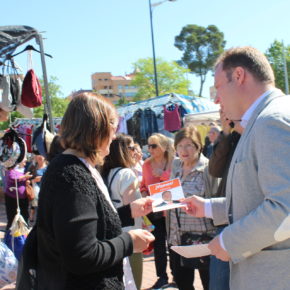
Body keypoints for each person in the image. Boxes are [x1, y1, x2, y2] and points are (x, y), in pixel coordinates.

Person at [183, 46, 290, 290]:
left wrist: (230, 241)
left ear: (239, 75)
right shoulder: (265, 119)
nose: (216, 99)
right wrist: (209, 207)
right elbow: (257, 197)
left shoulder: (271, 121)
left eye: (218, 87)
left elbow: (286, 208)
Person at [25, 93, 155, 290]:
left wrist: (129, 212)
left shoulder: (75, 168)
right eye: (113, 127)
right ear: (97, 128)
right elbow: (81, 255)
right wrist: (129, 242)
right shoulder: (72, 174)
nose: (114, 135)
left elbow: (87, 225)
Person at [167, 126, 219, 290]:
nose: (184, 150)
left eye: (189, 145)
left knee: (210, 284)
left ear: (198, 146)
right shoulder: (176, 170)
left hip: (204, 240)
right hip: (177, 239)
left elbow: (217, 202)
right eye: (180, 146)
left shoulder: (209, 169)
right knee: (183, 284)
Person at [102, 133, 143, 290]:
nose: (135, 152)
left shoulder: (105, 173)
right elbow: (133, 208)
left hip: (113, 237)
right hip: (130, 237)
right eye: (132, 148)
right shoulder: (126, 174)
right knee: (133, 283)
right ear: (123, 150)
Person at [207, 109, 242, 290]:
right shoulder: (231, 137)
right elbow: (214, 169)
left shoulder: (255, 132)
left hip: (245, 218)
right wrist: (226, 132)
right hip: (225, 217)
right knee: (219, 282)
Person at [140, 133, 175, 289]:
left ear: (164, 146)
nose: (150, 149)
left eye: (154, 145)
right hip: (155, 212)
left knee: (174, 244)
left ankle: (177, 275)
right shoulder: (146, 164)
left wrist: (163, 175)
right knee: (159, 245)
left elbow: (177, 182)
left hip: (172, 210)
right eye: (149, 146)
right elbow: (143, 184)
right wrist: (143, 192)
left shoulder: (173, 162)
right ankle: (162, 277)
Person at [4, 159, 32, 231]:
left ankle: (24, 234)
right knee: (12, 217)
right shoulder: (10, 170)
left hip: (23, 198)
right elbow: (12, 178)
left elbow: (23, 181)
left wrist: (27, 181)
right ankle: (10, 235)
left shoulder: (23, 170)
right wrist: (24, 177)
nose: (25, 164)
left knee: (25, 216)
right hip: (12, 198)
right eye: (24, 162)